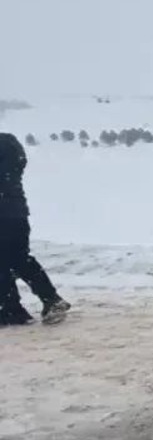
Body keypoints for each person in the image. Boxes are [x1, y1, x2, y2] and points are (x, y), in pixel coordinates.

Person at [0, 132, 69, 326]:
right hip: (15, 213)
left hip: (5, 215)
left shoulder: (4, 145)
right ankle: (11, 308)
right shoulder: (9, 145)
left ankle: (42, 301)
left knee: (14, 259)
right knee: (12, 260)